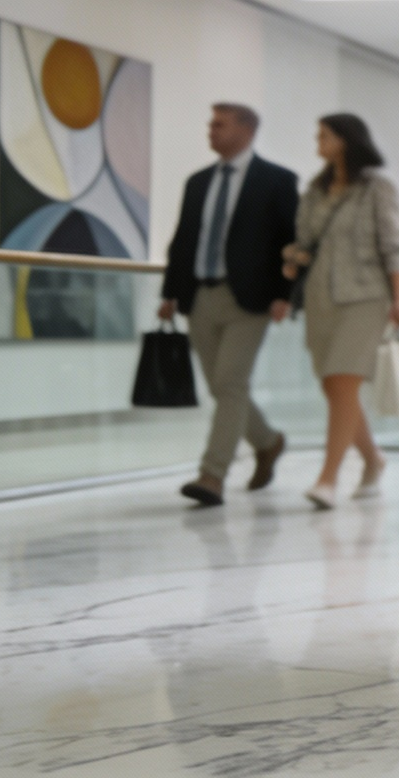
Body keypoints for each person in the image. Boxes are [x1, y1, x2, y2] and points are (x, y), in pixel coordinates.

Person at [158, 103, 299, 507]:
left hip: (250, 299)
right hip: (200, 295)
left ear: (247, 129)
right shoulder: (198, 182)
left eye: (219, 124)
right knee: (223, 387)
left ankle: (212, 474)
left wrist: (283, 295)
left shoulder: (276, 181)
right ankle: (268, 442)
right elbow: (183, 238)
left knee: (231, 383)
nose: (211, 130)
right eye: (210, 123)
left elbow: (289, 242)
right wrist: (169, 292)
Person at [282, 114, 399, 510]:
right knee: (333, 386)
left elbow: (394, 244)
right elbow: (302, 239)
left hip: (365, 297)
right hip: (321, 297)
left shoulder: (377, 189)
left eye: (324, 135)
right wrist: (292, 257)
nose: (317, 141)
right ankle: (373, 460)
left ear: (346, 139)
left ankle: (328, 478)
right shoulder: (316, 190)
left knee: (343, 383)